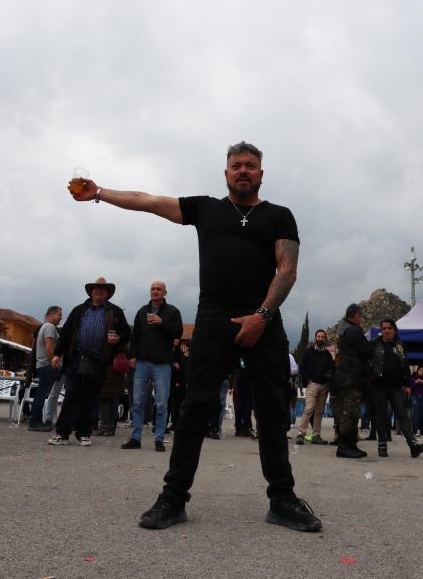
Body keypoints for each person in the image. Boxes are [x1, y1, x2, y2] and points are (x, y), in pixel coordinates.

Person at [69, 141, 321, 533]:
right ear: (226, 173)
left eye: (250, 165)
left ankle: (283, 500)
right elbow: (147, 201)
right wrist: (100, 192)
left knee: (272, 407)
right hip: (214, 318)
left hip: (264, 319)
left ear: (260, 173)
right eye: (236, 165)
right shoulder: (206, 209)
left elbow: (287, 271)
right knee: (196, 406)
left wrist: (261, 316)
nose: (243, 171)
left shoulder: (279, 216)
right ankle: (173, 498)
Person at [48, 278, 130, 446]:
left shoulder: (115, 311)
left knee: (90, 399)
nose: (99, 291)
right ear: (91, 292)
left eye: (102, 289)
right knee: (70, 396)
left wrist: (118, 339)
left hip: (100, 361)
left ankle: (84, 434)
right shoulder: (79, 310)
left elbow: (126, 334)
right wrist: (57, 354)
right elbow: (66, 333)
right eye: (96, 288)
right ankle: (62, 433)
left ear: (107, 293)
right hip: (76, 358)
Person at [122, 281, 182, 451]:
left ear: (165, 293)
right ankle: (136, 438)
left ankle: (159, 439)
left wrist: (162, 322)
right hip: (142, 362)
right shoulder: (142, 311)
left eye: (158, 289)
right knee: (137, 402)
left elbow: (177, 333)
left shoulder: (173, 311)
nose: (155, 291)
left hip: (162, 364)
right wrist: (131, 356)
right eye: (153, 289)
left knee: (161, 403)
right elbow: (135, 336)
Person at [371, 318, 423, 458]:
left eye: (389, 328)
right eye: (384, 328)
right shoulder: (374, 343)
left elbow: (405, 365)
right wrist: (370, 375)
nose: (387, 330)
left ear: (395, 330)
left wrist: (407, 384)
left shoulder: (400, 345)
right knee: (382, 415)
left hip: (396, 386)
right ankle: (382, 445)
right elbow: (366, 360)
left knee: (402, 414)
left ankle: (413, 445)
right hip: (379, 386)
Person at [333, 304, 372, 459]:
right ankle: (344, 447)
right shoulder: (354, 330)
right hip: (352, 378)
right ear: (356, 315)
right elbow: (366, 351)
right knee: (350, 414)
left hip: (345, 377)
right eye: (360, 316)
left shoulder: (343, 330)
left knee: (351, 413)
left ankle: (351, 446)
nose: (360, 319)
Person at [296, 330, 334, 445]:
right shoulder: (308, 352)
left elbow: (331, 369)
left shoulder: (328, 355)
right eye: (318, 336)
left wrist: (328, 378)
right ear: (315, 337)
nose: (320, 338)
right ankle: (301, 434)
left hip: (324, 386)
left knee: (319, 411)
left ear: (325, 339)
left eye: (322, 337)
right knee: (309, 409)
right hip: (312, 384)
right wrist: (308, 380)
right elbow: (302, 368)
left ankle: (316, 435)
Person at [29, 306, 63, 431]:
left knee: (41, 393)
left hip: (44, 365)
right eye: (59, 315)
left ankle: (35, 421)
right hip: (47, 365)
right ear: (51, 314)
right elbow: (49, 348)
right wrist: (54, 362)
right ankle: (35, 422)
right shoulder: (50, 327)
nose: (61, 318)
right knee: (42, 394)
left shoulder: (44, 326)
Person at [410, 366, 423, 437]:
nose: (421, 372)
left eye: (422, 370)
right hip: (415, 397)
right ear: (417, 371)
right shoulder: (413, 378)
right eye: (420, 370)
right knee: (417, 414)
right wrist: (416, 382)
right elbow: (410, 387)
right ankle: (418, 430)